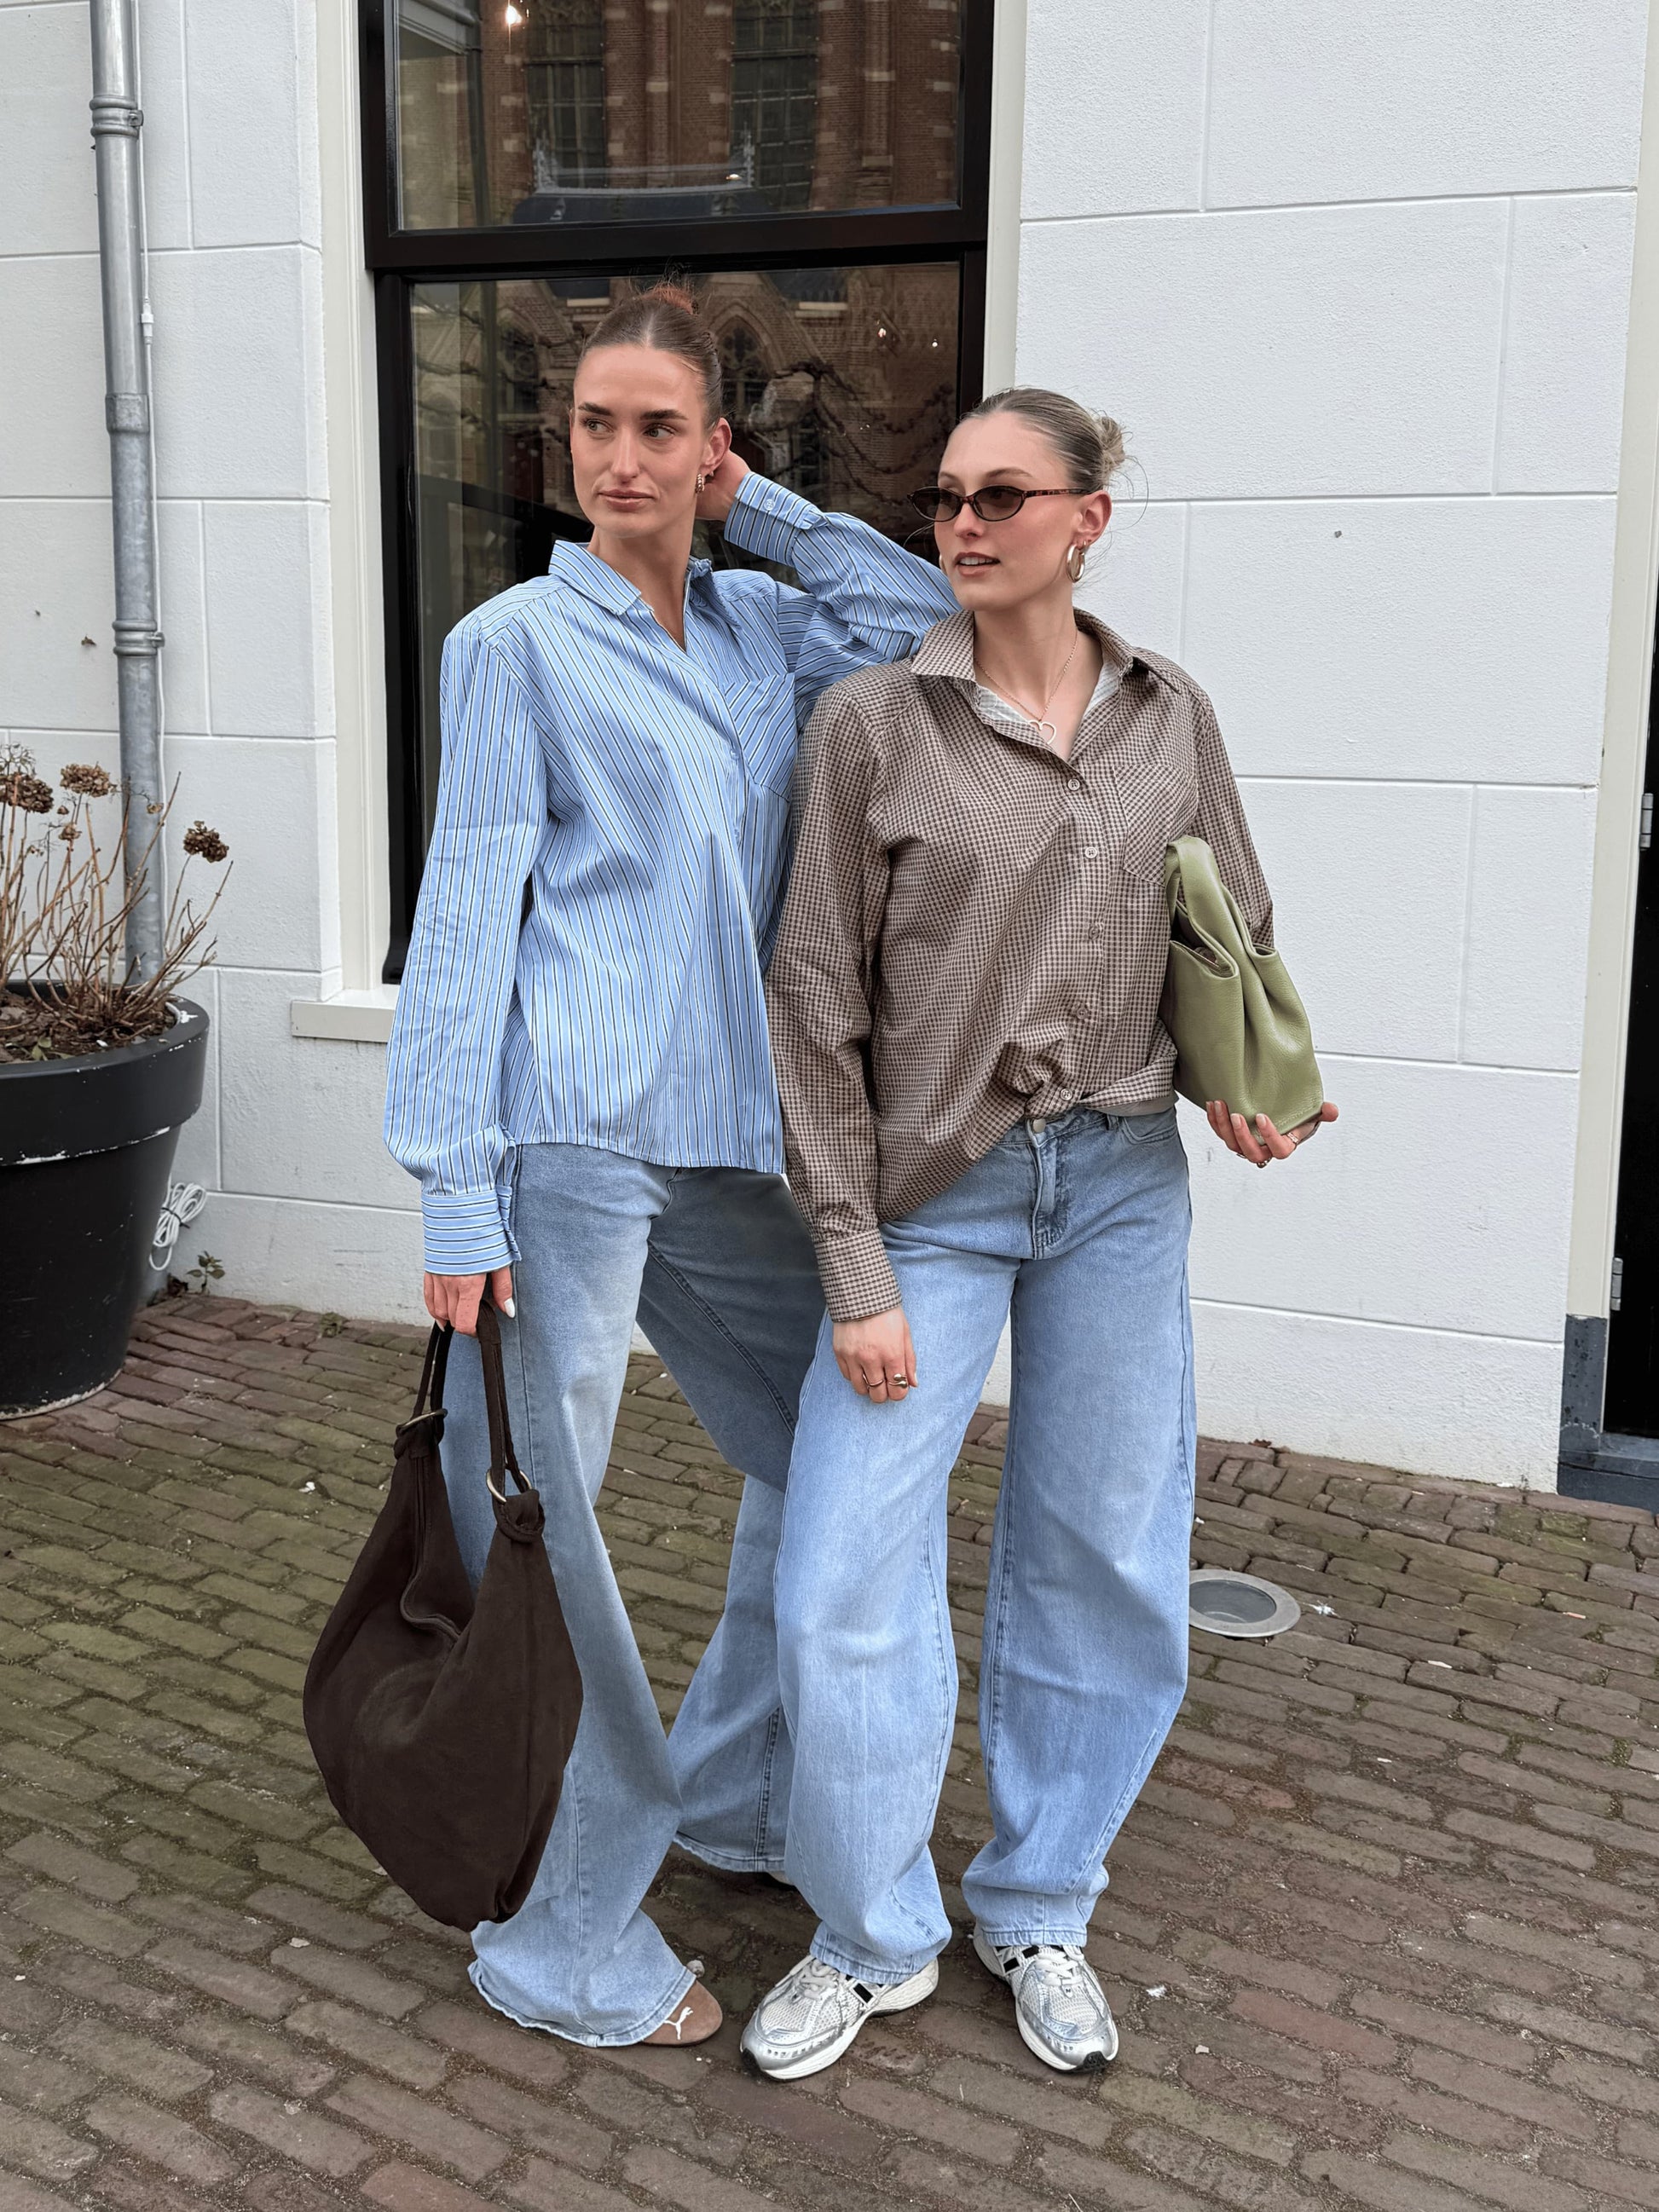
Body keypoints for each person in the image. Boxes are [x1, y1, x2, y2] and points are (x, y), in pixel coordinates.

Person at [384, 285, 957, 2048]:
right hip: (567, 1132)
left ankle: (730, 1785)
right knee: (543, 1532)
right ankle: (562, 1929)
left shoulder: (764, 630)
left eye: (658, 429)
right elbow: (466, 911)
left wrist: (755, 505)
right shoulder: (511, 645)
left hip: (734, 1131)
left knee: (837, 1459)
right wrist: (451, 1181)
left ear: (709, 445)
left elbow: (924, 620)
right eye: (594, 426)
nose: (619, 459)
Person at [744, 386, 1338, 2081]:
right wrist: (851, 1258)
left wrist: (1243, 1083)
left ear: (1089, 518)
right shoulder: (872, 721)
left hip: (1121, 1190)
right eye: (947, 495)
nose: (964, 522)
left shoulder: (1169, 712)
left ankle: (1037, 1901)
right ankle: (871, 1932)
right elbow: (810, 1000)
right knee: (839, 1578)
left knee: (1103, 1557)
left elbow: (1229, 918)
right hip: (934, 1202)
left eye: (1002, 494)